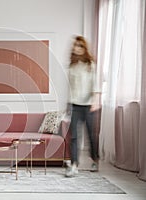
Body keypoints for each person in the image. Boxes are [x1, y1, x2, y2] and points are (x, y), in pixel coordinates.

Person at [65, 36, 101, 177]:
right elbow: (71, 87)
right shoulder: (72, 66)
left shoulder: (90, 65)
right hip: (75, 104)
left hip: (88, 105)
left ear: (84, 48)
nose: (77, 48)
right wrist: (68, 104)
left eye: (80, 46)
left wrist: (95, 100)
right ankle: (74, 165)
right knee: (74, 136)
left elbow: (95, 84)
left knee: (91, 135)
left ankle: (95, 159)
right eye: (76, 45)